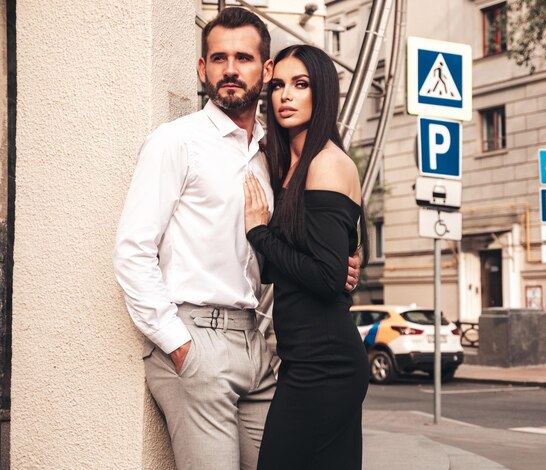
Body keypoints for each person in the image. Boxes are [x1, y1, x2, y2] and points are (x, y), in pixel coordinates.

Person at [113, 7, 359, 470]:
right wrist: (177, 343)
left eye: (244, 57)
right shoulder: (176, 142)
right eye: (219, 58)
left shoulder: (272, 151)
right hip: (196, 340)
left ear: (265, 70)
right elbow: (132, 249)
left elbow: (309, 228)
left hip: (258, 345)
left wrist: (346, 254)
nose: (230, 69)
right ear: (202, 68)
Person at [243, 45, 370, 470]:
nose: (285, 96)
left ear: (323, 93)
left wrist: (260, 232)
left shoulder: (326, 164)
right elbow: (300, 265)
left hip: (325, 365)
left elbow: (325, 277)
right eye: (278, 85)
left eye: (301, 85)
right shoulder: (289, 166)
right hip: (307, 360)